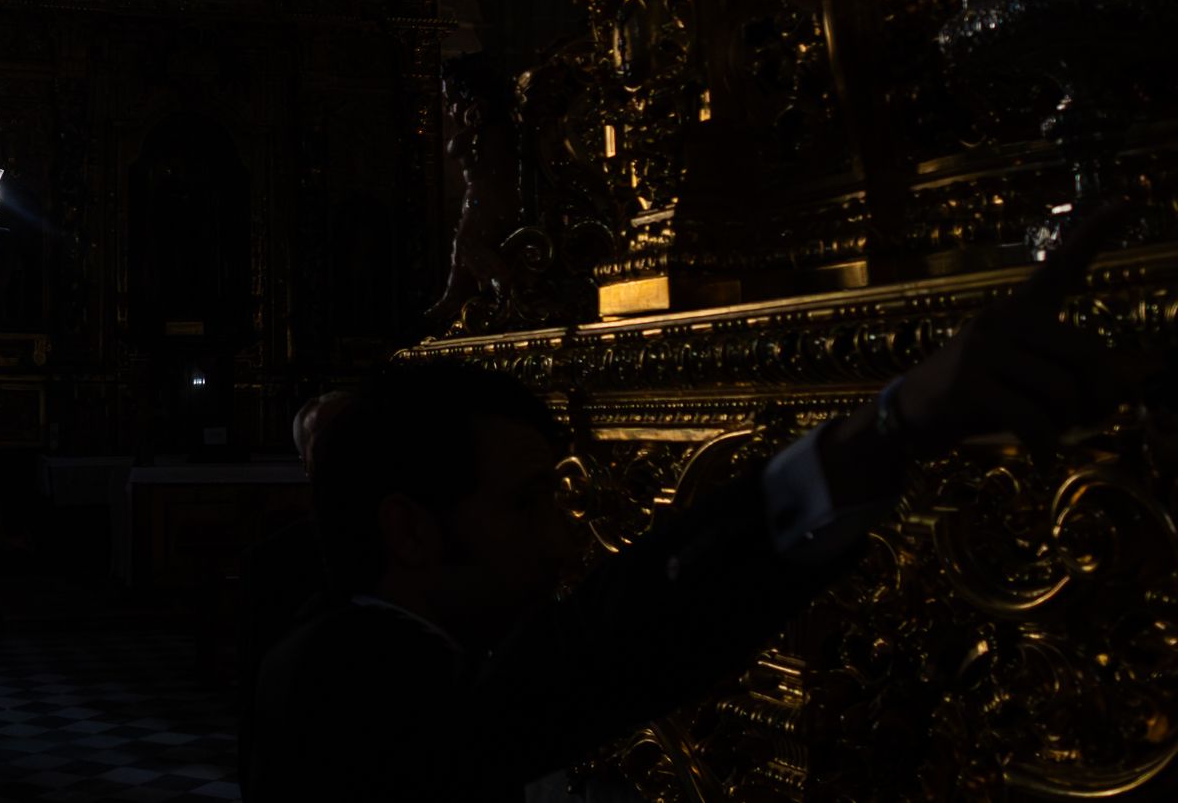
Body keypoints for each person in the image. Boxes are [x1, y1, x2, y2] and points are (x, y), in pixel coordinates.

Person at [246, 207, 1144, 800]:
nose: (564, 541)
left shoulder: (348, 647)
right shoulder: (359, 699)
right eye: (525, 504)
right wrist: (888, 427)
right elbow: (609, 641)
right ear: (409, 528)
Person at [236, 392, 350, 779]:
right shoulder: (274, 563)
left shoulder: (419, 541)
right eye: (330, 443)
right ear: (307, 463)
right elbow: (258, 699)